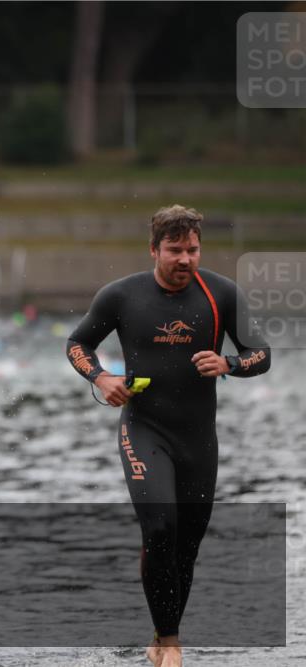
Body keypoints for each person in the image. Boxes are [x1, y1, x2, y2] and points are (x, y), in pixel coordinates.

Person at [65, 205, 270, 667]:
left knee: (186, 546)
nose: (185, 259)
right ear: (154, 249)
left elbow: (262, 353)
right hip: (144, 429)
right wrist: (101, 378)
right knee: (159, 527)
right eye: (175, 250)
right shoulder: (121, 296)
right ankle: (172, 644)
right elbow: (77, 344)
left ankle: (161, 635)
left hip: (199, 439)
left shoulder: (222, 294)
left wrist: (230, 364)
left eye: (193, 250)